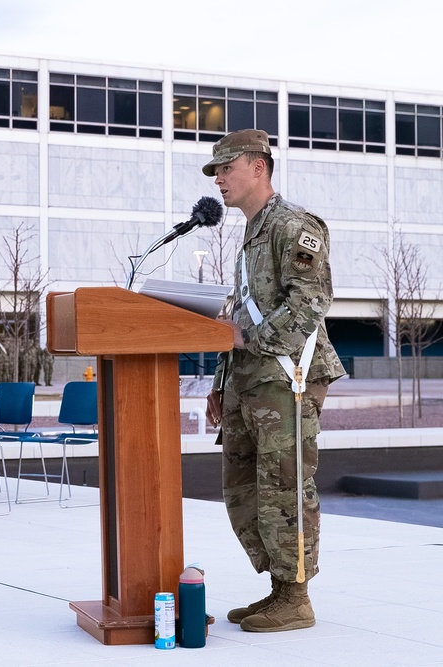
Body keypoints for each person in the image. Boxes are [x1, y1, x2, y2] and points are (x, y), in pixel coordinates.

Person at [202, 129, 345, 633]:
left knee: (285, 486)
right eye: (216, 171)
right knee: (244, 488)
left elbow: (310, 303)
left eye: (225, 168)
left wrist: (252, 347)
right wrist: (221, 383)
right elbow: (238, 316)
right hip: (249, 381)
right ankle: (278, 588)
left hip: (289, 378)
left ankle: (296, 595)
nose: (218, 179)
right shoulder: (250, 233)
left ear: (258, 167)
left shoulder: (294, 225)